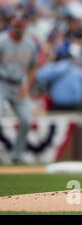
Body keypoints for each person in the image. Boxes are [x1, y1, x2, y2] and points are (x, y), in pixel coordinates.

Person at [0, 17, 38, 163]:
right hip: (2, 82)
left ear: (25, 27)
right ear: (11, 26)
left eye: (21, 26)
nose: (18, 29)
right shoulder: (2, 41)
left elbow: (34, 66)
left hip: (19, 84)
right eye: (16, 26)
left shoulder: (29, 44)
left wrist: (27, 84)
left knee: (26, 120)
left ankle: (16, 156)